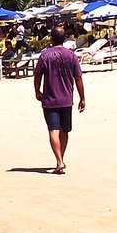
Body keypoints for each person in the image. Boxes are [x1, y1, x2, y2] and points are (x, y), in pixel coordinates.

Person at [33, 26, 85, 175]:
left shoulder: (45, 56)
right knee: (64, 131)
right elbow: (78, 78)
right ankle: (60, 159)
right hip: (67, 99)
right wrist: (82, 98)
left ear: (51, 38)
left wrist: (37, 91)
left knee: (53, 130)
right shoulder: (71, 55)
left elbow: (37, 76)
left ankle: (59, 161)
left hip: (50, 99)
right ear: (64, 39)